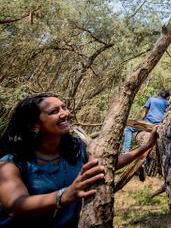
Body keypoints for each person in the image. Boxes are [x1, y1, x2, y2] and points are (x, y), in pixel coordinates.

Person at [0, 93, 158, 227]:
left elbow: (109, 165)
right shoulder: (10, 163)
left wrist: (145, 147)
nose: (65, 113)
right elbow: (15, 206)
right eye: (54, 111)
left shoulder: (76, 148)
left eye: (64, 107)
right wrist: (63, 196)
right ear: (33, 125)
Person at [122, 88, 170, 153]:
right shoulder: (167, 103)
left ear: (159, 93)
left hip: (148, 124)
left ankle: (126, 150)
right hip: (158, 126)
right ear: (166, 96)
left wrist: (140, 122)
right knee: (153, 143)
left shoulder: (152, 99)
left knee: (128, 130)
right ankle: (146, 163)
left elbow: (144, 113)